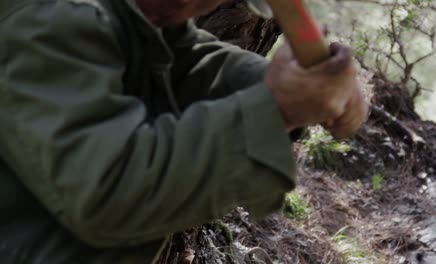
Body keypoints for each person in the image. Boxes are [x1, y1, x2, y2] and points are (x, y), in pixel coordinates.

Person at [0, 0, 368, 263]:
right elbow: (111, 194)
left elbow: (188, 62)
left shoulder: (141, 16)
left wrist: (316, 88)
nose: (211, 7)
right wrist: (279, 106)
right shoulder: (52, 18)